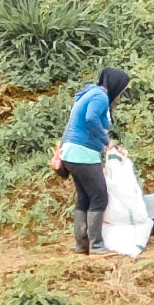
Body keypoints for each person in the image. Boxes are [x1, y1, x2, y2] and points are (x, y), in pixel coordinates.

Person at [56, 62, 132, 256]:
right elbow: (91, 119)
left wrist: (109, 144)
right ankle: (97, 246)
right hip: (83, 154)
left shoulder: (90, 93)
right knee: (99, 196)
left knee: (84, 198)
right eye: (121, 91)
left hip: (71, 152)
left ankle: (82, 246)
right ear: (115, 86)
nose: (120, 96)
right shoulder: (99, 97)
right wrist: (106, 142)